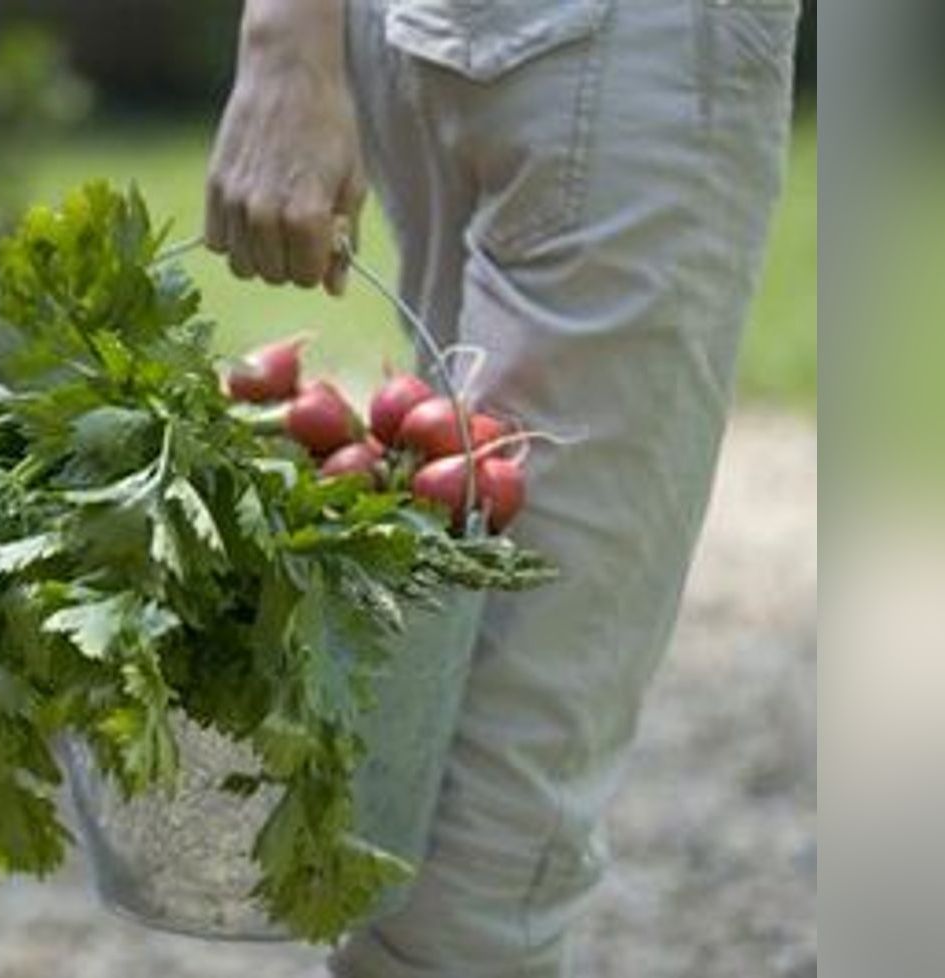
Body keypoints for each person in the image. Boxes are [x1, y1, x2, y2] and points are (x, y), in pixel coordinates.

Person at [203, 0, 801, 975]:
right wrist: (282, 44)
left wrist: (294, 40)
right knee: (502, 798)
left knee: (443, 690)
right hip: (610, 50)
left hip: (480, 42)